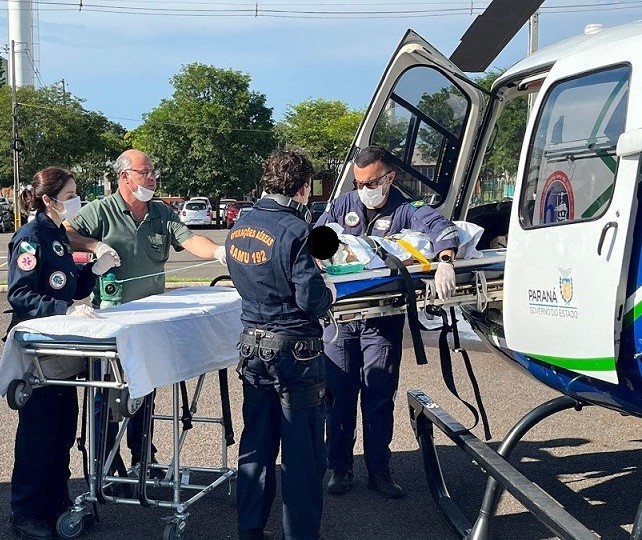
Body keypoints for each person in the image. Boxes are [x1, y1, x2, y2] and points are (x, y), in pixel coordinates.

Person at [63, 148, 226, 469]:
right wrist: (95, 245)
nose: (152, 178)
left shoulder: (161, 214)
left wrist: (219, 250)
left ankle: (143, 458)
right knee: (106, 396)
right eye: (146, 172)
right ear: (125, 177)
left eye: (153, 173)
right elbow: (66, 233)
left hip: (149, 323)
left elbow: (190, 240)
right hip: (112, 323)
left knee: (144, 390)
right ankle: (103, 461)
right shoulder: (103, 210)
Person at [316, 145, 459, 499]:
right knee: (339, 397)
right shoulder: (342, 205)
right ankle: (340, 468)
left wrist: (445, 259)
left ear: (390, 178)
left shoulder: (408, 209)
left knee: (378, 398)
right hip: (342, 320)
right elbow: (316, 237)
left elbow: (442, 228)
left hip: (382, 320)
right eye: (359, 182)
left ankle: (380, 471)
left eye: (372, 182)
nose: (365, 189)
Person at [226, 150, 335, 540]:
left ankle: (250, 528)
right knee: (302, 452)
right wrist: (329, 293)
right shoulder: (296, 230)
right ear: (304, 187)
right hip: (295, 352)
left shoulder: (240, 225)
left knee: (256, 444)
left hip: (252, 347)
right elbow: (310, 299)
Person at [6, 167, 119, 539]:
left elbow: (67, 284)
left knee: (61, 434)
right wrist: (63, 310)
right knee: (38, 437)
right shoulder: (30, 236)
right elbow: (20, 295)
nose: (76, 199)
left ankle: (56, 506)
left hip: (60, 349)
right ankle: (24, 513)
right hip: (37, 352)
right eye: (70, 194)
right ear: (48, 200)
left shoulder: (57, 235)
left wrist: (94, 271)